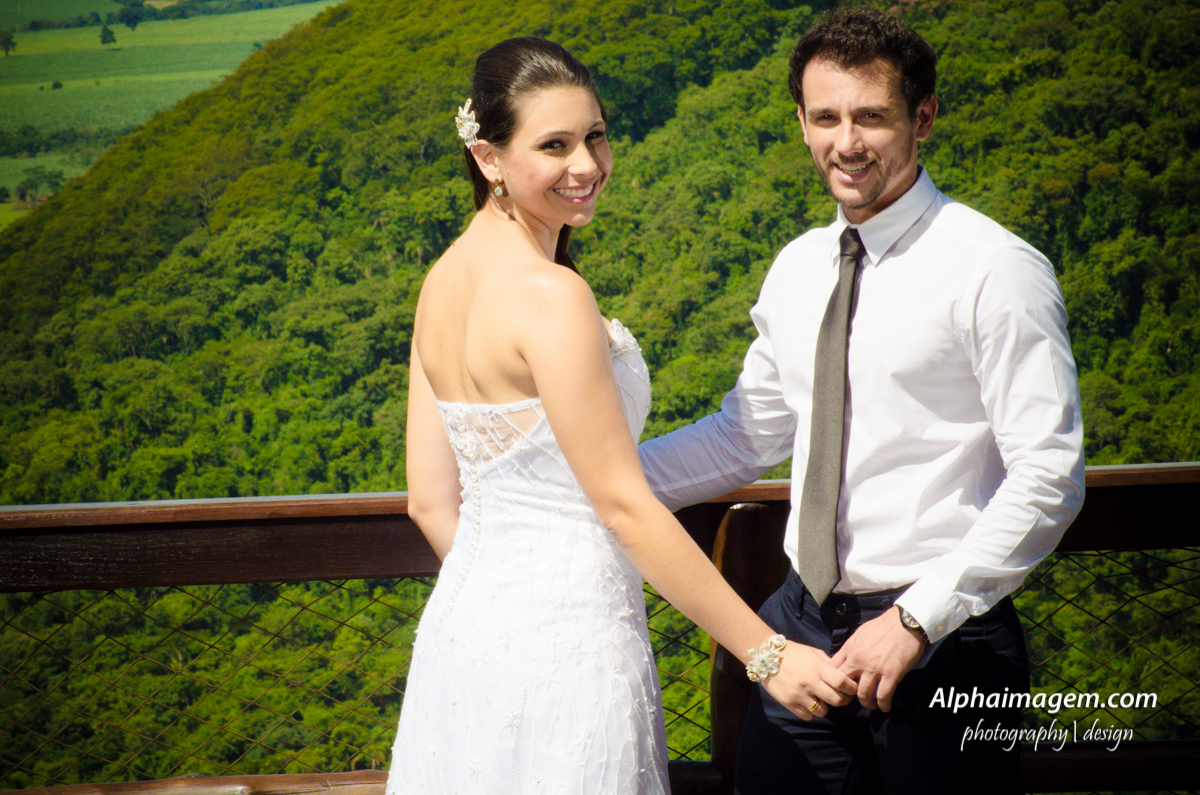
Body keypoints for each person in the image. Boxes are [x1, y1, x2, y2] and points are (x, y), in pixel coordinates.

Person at [386, 37, 856, 794]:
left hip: (466, 636)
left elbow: (430, 501)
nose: (586, 164)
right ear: (488, 157)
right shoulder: (551, 296)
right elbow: (621, 504)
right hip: (570, 643)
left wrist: (507, 602)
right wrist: (767, 653)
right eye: (554, 144)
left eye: (595, 136)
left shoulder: (440, 283)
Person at [638, 8, 1085, 794]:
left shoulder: (995, 269)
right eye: (826, 117)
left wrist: (916, 619)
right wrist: (596, 483)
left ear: (923, 118)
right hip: (801, 633)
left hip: (948, 638)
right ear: (802, 122)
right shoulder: (800, 266)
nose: (846, 142)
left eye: (872, 117)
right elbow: (746, 434)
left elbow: (1050, 474)